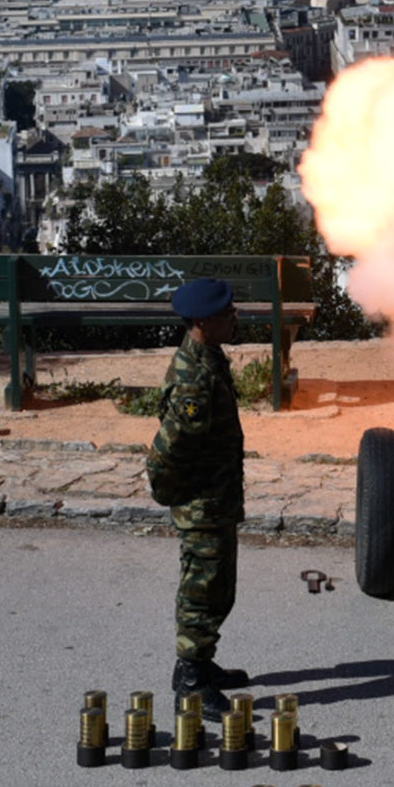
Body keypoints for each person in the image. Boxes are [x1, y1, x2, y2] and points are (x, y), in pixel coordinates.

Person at [146, 276, 251, 709]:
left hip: (216, 496)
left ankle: (201, 662)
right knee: (202, 588)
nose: (234, 318)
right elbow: (171, 448)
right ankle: (190, 679)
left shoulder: (209, 356)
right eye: (227, 314)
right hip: (203, 501)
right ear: (204, 322)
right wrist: (169, 492)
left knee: (219, 583)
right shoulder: (196, 378)